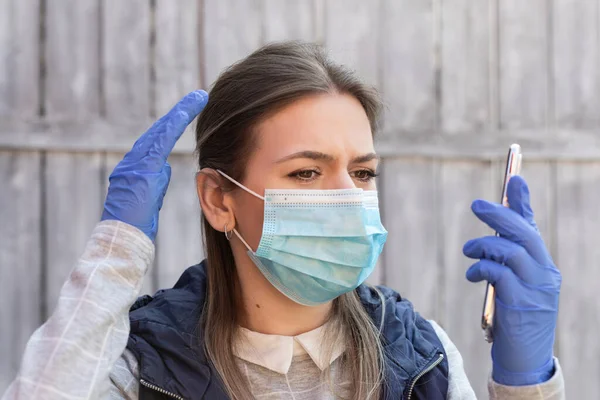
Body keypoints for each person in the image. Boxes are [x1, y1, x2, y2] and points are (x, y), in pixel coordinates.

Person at [2, 42, 564, 400]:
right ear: (220, 199)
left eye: (363, 173)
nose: (347, 197)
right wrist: (116, 254)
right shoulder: (144, 371)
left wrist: (525, 383)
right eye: (306, 174)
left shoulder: (421, 359)